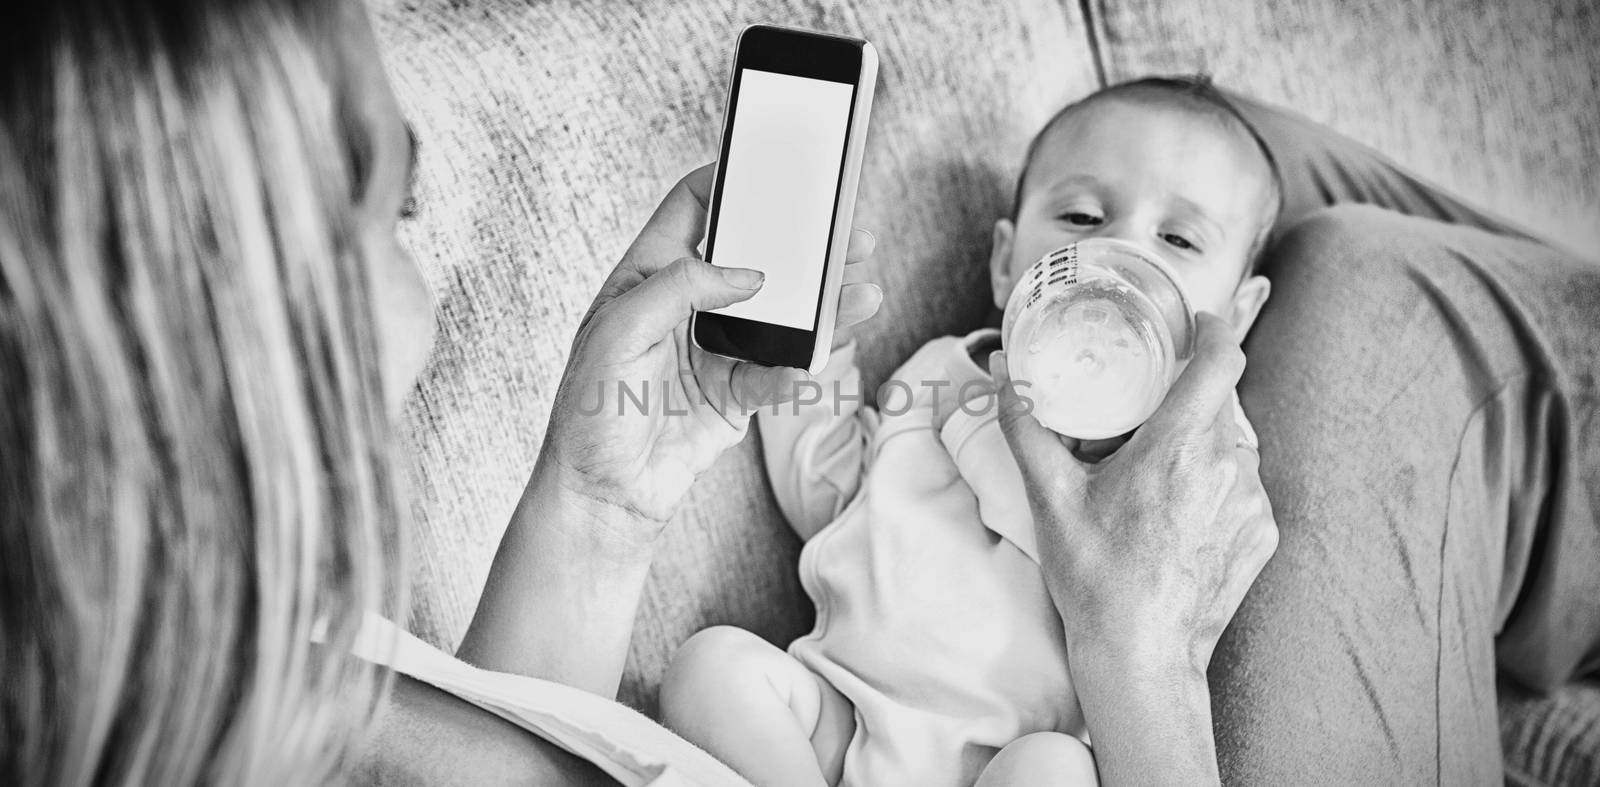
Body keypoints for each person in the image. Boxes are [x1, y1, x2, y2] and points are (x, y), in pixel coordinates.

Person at [658, 77, 1279, 787]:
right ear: (1006, 262)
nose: (1118, 249)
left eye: (1178, 238)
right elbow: (827, 492)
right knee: (712, 667)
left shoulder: (1192, 460)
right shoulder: (942, 374)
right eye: (1080, 217)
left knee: (1054, 768)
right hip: (839, 721)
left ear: (1238, 309)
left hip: (996, 763)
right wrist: (817, 346)